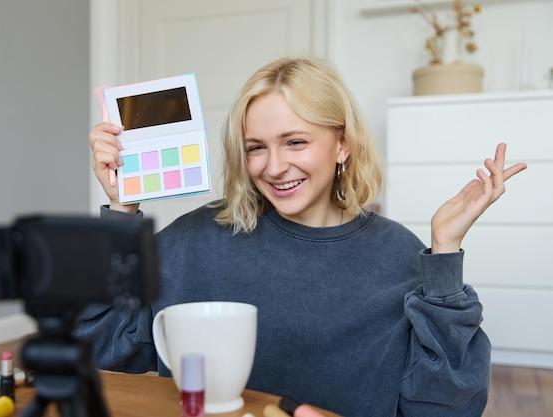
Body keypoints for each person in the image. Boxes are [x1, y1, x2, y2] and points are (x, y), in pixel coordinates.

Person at [76, 57, 527, 416]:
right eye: (256, 147)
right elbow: (100, 346)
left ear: (343, 145)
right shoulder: (197, 239)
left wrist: (445, 253)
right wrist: (122, 208)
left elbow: (449, 408)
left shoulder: (398, 255)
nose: (273, 167)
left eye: (295, 142)